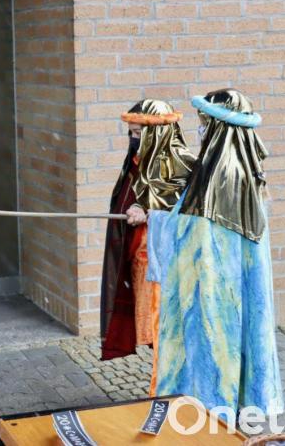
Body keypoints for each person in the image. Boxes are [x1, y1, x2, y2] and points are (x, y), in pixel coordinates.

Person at [146, 88, 284, 414]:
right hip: (237, 290)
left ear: (220, 127)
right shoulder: (248, 171)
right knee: (237, 340)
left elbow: (193, 236)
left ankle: (211, 412)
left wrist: (155, 220)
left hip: (212, 291)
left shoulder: (216, 178)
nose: (201, 130)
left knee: (213, 348)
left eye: (205, 123)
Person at [99, 99, 195, 396]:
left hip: (164, 267)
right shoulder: (140, 160)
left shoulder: (182, 162)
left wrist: (149, 209)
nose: (133, 139)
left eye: (139, 133)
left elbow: (186, 211)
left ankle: (170, 390)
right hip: (140, 262)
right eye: (131, 133)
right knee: (154, 330)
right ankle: (163, 387)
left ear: (158, 133)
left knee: (167, 328)